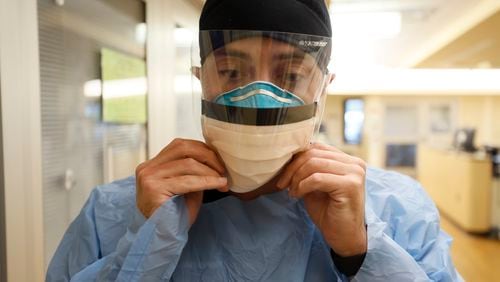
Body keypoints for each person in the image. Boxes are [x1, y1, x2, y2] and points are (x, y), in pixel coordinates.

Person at [46, 0, 463, 281]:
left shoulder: (395, 208)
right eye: (231, 72)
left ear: (323, 89)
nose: (260, 94)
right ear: (202, 83)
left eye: (290, 75)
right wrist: (143, 249)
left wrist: (360, 252)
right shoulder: (116, 212)